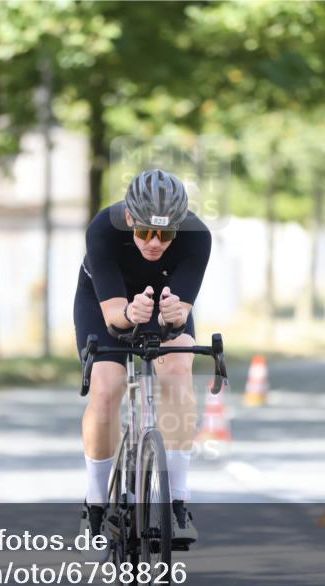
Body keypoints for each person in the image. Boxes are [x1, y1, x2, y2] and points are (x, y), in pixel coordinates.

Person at [74, 169, 211, 546]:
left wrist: (175, 315)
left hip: (164, 304)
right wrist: (129, 314)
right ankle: (97, 502)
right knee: (107, 385)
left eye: (165, 235)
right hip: (108, 302)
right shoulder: (103, 228)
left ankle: (178, 502)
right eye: (145, 231)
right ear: (130, 219)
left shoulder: (198, 237)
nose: (154, 242)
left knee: (180, 367)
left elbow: (180, 312)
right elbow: (114, 316)